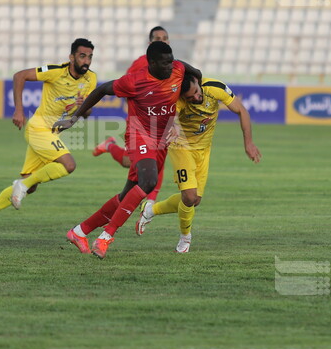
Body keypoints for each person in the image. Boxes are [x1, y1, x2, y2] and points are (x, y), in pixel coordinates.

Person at [55, 41, 202, 259]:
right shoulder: (135, 81)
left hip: (161, 141)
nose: (170, 66)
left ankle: (79, 231)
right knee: (149, 181)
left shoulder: (178, 69)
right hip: (139, 135)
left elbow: (196, 73)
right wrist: (74, 118)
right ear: (151, 63)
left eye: (171, 61)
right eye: (165, 63)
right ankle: (105, 237)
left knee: (127, 197)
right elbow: (101, 90)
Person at [0, 39, 96, 229]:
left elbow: (87, 114)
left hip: (52, 133)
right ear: (72, 57)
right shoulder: (55, 71)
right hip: (39, 128)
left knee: (31, 185)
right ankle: (21, 186)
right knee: (68, 165)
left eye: (90, 57)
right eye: (82, 56)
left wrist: (82, 107)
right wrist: (19, 111)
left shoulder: (91, 79)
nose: (86, 61)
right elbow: (19, 76)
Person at [136, 75, 262, 253]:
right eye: (190, 97)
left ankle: (150, 210)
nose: (195, 98)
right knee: (188, 196)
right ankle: (185, 238)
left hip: (204, 149)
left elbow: (241, 110)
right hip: (182, 146)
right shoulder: (177, 100)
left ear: (197, 82)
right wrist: (174, 125)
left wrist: (248, 143)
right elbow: (172, 117)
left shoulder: (214, 88)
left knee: (194, 201)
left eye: (196, 92)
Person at [91, 24, 170, 208]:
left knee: (154, 159)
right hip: (140, 122)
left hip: (159, 122)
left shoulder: (170, 64)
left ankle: (149, 201)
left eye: (165, 38)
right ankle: (110, 145)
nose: (162, 41)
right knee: (130, 162)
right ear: (150, 43)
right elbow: (126, 87)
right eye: (158, 39)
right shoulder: (140, 64)